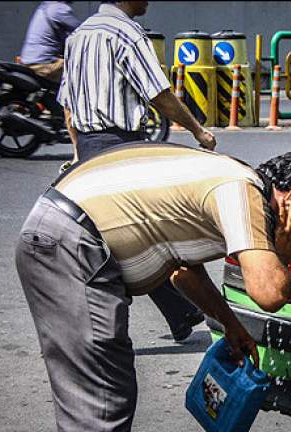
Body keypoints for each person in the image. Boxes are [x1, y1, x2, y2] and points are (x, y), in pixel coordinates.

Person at [15, 146, 291, 432]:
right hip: (72, 242)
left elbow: (183, 272)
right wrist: (283, 250)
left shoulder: (234, 180)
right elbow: (269, 293)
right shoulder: (242, 190)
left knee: (104, 396)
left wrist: (230, 324)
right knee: (101, 399)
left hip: (63, 235)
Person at [58, 0, 218, 342]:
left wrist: (77, 154)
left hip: (89, 149)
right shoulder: (127, 33)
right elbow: (159, 94)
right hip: (121, 148)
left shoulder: (78, 36)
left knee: (119, 237)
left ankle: (179, 312)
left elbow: (69, 106)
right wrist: (197, 130)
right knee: (143, 234)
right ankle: (109, 323)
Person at [19, 1, 81, 83]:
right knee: (79, 73)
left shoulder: (44, 7)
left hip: (28, 62)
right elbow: (81, 30)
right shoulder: (58, 9)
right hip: (43, 65)